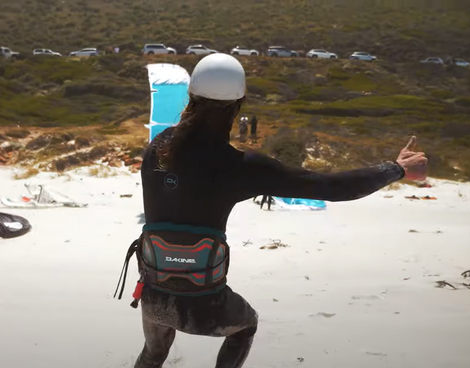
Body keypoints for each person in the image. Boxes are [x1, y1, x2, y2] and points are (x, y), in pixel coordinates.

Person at [114, 54, 428, 368]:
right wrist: (396, 169)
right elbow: (331, 188)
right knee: (245, 324)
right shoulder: (242, 167)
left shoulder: (158, 149)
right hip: (204, 305)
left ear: (192, 96)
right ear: (239, 104)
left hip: (153, 295)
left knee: (154, 354)